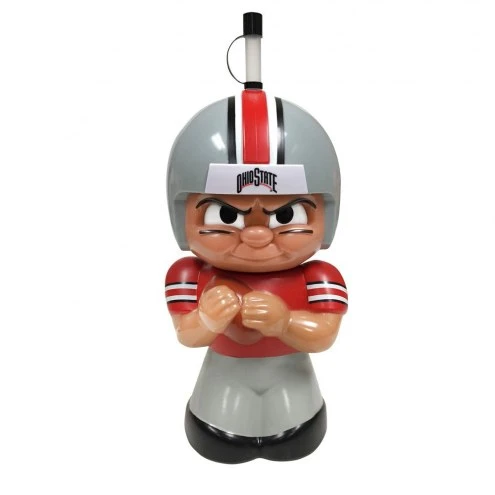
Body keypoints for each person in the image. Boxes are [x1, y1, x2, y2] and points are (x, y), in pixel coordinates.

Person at [165, 90, 347, 463]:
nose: (258, 235)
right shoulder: (188, 275)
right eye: (225, 215)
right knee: (221, 433)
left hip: (293, 383)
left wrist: (286, 322)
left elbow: (324, 335)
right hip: (221, 384)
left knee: (295, 432)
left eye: (287, 215)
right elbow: (186, 334)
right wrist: (206, 319)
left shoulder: (319, 276)